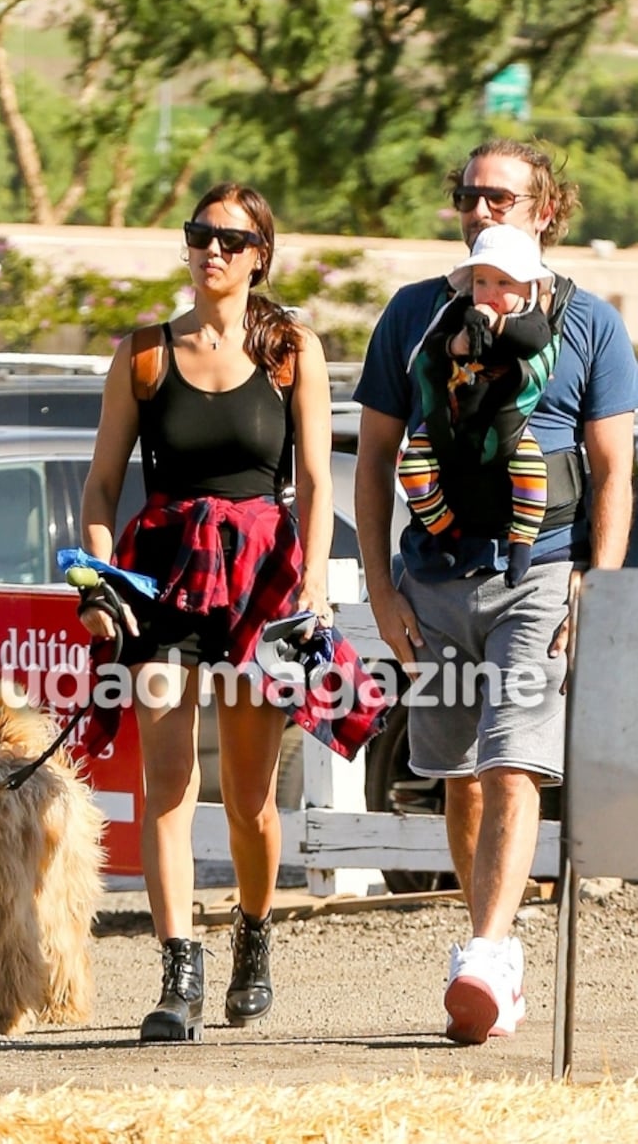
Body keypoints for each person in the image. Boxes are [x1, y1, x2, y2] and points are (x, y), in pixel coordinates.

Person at [354, 138, 638, 1046]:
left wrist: (595, 585)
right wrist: (378, 588)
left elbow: (612, 470)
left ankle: (485, 949)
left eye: (502, 198)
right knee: (455, 773)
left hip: (538, 572)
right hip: (431, 580)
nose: (482, 209)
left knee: (513, 758)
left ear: (544, 210)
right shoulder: (412, 315)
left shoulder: (590, 321)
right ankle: (494, 950)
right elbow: (369, 463)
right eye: (470, 195)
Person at [78, 182, 334, 1043]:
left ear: (261, 252)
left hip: (261, 576)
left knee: (251, 798)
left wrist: (314, 590)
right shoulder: (143, 355)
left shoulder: (293, 348)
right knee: (166, 784)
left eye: (230, 238)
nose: (211, 251)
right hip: (163, 578)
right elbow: (103, 485)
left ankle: (253, 939)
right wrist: (97, 582)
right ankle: (177, 971)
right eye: (199, 235)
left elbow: (317, 483)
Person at [397, 223, 566, 588]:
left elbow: (534, 339)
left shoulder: (530, 320)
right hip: (453, 420)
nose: (490, 293)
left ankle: (522, 540)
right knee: (412, 467)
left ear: (529, 289)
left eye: (504, 284)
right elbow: (431, 348)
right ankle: (446, 532)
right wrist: (454, 344)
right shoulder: (458, 311)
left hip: (505, 423)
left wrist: (498, 323)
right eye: (481, 282)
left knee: (531, 471)